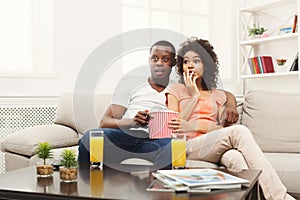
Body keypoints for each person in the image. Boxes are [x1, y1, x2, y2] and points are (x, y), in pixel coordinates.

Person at [165, 37, 294, 200]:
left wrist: (192, 125)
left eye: (196, 61)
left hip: (212, 146)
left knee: (236, 159)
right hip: (186, 146)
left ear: (206, 66)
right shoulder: (175, 89)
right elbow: (175, 125)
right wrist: (194, 96)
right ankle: (280, 197)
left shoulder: (218, 95)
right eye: (186, 62)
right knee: (239, 132)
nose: (190, 65)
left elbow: (220, 131)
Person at [78, 40, 238, 170]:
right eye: (155, 58)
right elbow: (104, 122)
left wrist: (231, 104)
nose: (159, 63)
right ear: (149, 60)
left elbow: (216, 93)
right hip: (127, 135)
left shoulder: (181, 88)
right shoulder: (131, 84)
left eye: (165, 59)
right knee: (88, 138)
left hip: (158, 141)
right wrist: (132, 122)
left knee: (174, 147)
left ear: (174, 63)